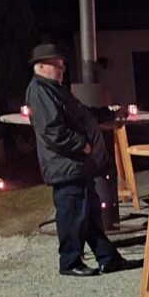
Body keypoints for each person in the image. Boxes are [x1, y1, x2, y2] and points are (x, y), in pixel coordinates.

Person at [24, 44, 129, 277]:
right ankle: (70, 262)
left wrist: (109, 113)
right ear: (40, 66)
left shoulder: (54, 89)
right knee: (72, 214)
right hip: (66, 165)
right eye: (56, 64)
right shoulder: (40, 91)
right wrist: (81, 144)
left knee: (89, 213)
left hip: (76, 164)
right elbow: (52, 130)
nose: (61, 68)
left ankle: (107, 257)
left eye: (62, 64)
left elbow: (83, 114)